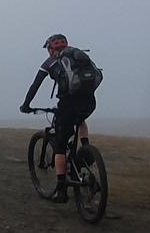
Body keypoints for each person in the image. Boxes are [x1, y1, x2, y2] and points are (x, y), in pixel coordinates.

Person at [20, 33, 98, 203]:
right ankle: (86, 150)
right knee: (80, 119)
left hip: (68, 104)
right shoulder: (77, 55)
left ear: (50, 49)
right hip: (90, 102)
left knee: (61, 147)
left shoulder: (49, 63)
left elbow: (35, 85)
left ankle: (61, 190)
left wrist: (26, 105)